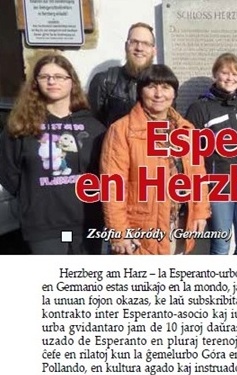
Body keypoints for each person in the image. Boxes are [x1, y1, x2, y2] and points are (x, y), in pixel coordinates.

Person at [0, 54, 105, 254]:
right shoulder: (21, 126)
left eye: (59, 76)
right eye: (44, 76)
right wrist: (32, 195)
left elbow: (105, 171)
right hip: (43, 228)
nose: (51, 81)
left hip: (87, 223)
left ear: (71, 81)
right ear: (36, 82)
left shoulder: (94, 127)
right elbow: (8, 172)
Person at [101, 65, 208, 255]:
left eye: (166, 87)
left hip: (180, 226)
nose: (159, 94)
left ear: (174, 93)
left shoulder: (186, 129)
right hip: (142, 230)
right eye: (152, 87)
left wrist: (200, 212)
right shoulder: (122, 130)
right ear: (140, 91)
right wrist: (119, 232)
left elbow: (197, 174)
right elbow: (113, 185)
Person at [185, 53, 237, 255]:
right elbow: (190, 154)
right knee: (221, 246)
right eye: (225, 72)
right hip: (218, 187)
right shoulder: (199, 108)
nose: (230, 78)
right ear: (215, 74)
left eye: (235, 73)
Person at [88, 22, 156, 126]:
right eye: (134, 42)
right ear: (126, 46)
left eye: (146, 43)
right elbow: (94, 126)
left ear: (154, 51)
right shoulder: (105, 81)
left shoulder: (163, 85)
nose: (139, 48)